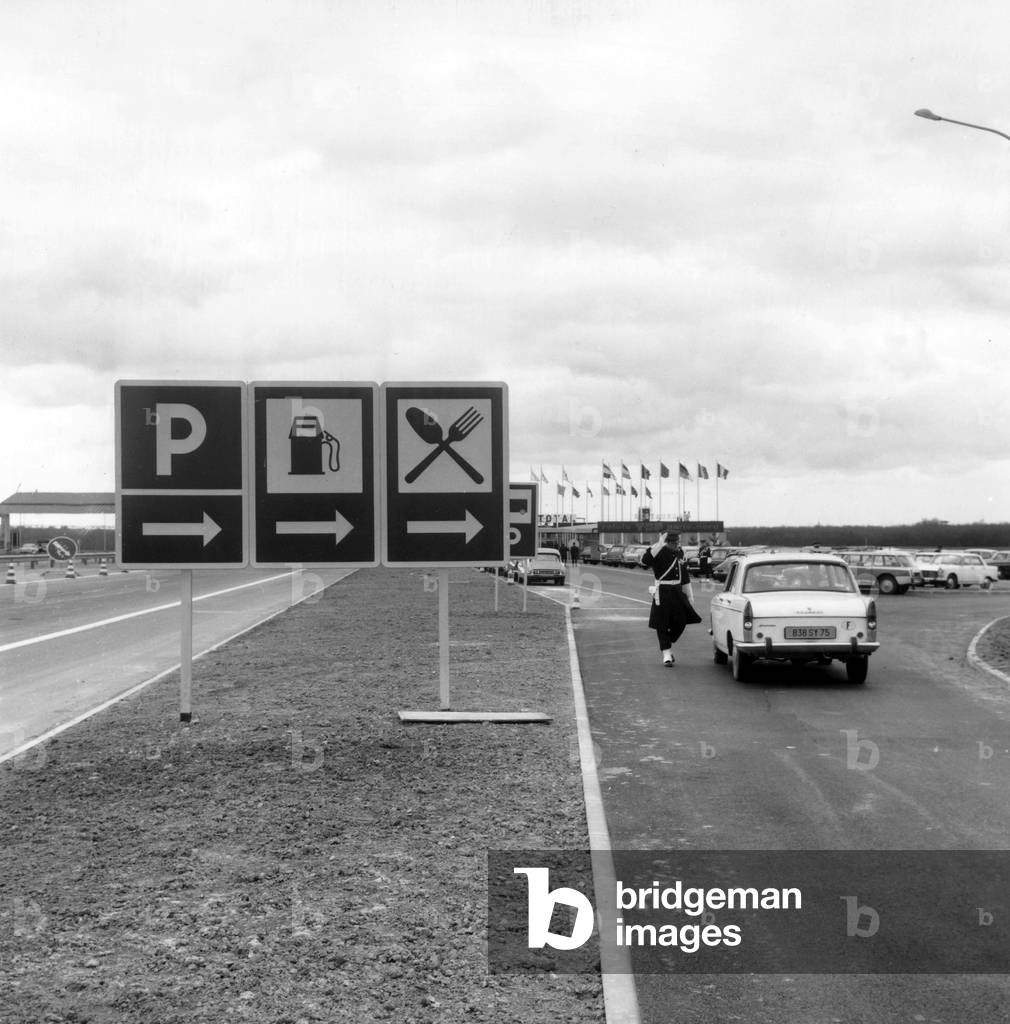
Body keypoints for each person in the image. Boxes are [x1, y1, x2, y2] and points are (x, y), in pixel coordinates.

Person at [640, 530, 702, 667]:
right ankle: (666, 653)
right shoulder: (658, 552)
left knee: (681, 620)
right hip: (662, 591)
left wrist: (690, 595)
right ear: (667, 542)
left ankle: (667, 642)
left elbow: (684, 575)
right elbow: (644, 562)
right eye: (673, 542)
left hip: (677, 591)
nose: (676, 545)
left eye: (677, 542)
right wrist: (658, 544)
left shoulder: (680, 553)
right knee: (661, 624)